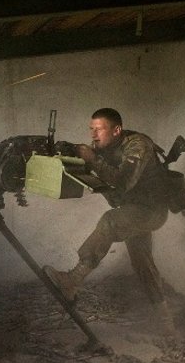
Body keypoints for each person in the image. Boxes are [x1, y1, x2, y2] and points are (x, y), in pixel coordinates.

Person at [43, 108, 177, 334]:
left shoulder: (138, 145)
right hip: (133, 210)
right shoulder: (104, 146)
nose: (94, 135)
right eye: (91, 129)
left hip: (151, 211)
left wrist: (92, 159)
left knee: (110, 221)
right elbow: (88, 160)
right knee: (143, 263)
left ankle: (73, 280)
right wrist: (68, 150)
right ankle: (165, 322)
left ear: (116, 130)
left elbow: (122, 182)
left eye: (99, 129)